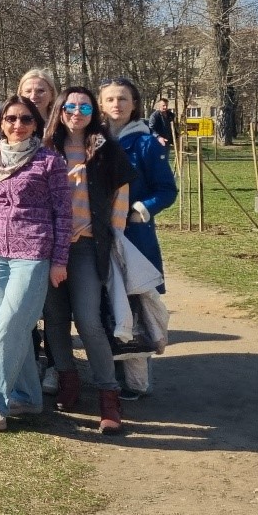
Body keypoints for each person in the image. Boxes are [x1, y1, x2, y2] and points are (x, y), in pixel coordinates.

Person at [0, 96, 70, 433]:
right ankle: (27, 395)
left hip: (33, 252)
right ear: (1, 123)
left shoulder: (49, 162)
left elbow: (63, 214)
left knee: (13, 322)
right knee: (7, 328)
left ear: (35, 124)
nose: (18, 125)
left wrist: (59, 261)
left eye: (25, 119)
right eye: (11, 119)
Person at [42, 86, 134, 435]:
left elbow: (120, 193)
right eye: (70, 105)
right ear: (60, 110)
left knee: (88, 318)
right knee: (54, 318)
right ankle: (68, 381)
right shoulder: (47, 147)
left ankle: (109, 395)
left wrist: (115, 235)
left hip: (86, 245)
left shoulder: (105, 149)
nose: (76, 111)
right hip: (49, 246)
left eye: (84, 106)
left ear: (93, 111)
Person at [98, 76, 179, 400]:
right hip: (102, 235)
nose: (116, 104)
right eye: (110, 99)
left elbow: (166, 190)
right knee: (108, 304)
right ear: (101, 104)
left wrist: (142, 208)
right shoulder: (96, 140)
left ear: (134, 104)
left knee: (135, 306)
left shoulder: (146, 143)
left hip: (135, 237)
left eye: (123, 99)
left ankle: (134, 381)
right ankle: (110, 374)